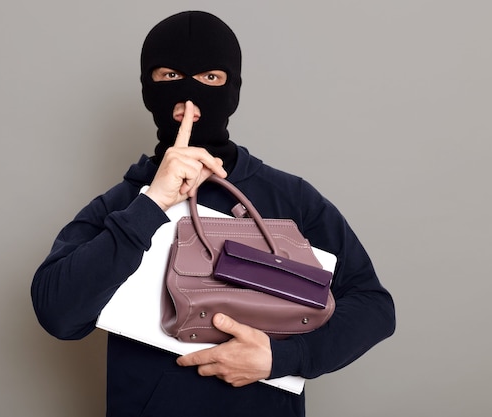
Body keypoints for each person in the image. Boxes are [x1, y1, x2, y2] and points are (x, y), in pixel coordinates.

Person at [31, 10, 395, 417]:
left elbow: (373, 305)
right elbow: (58, 315)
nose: (188, 97)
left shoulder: (291, 199)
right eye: (169, 77)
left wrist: (282, 359)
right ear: (147, 90)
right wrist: (151, 205)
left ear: (233, 90)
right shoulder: (119, 205)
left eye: (210, 78)